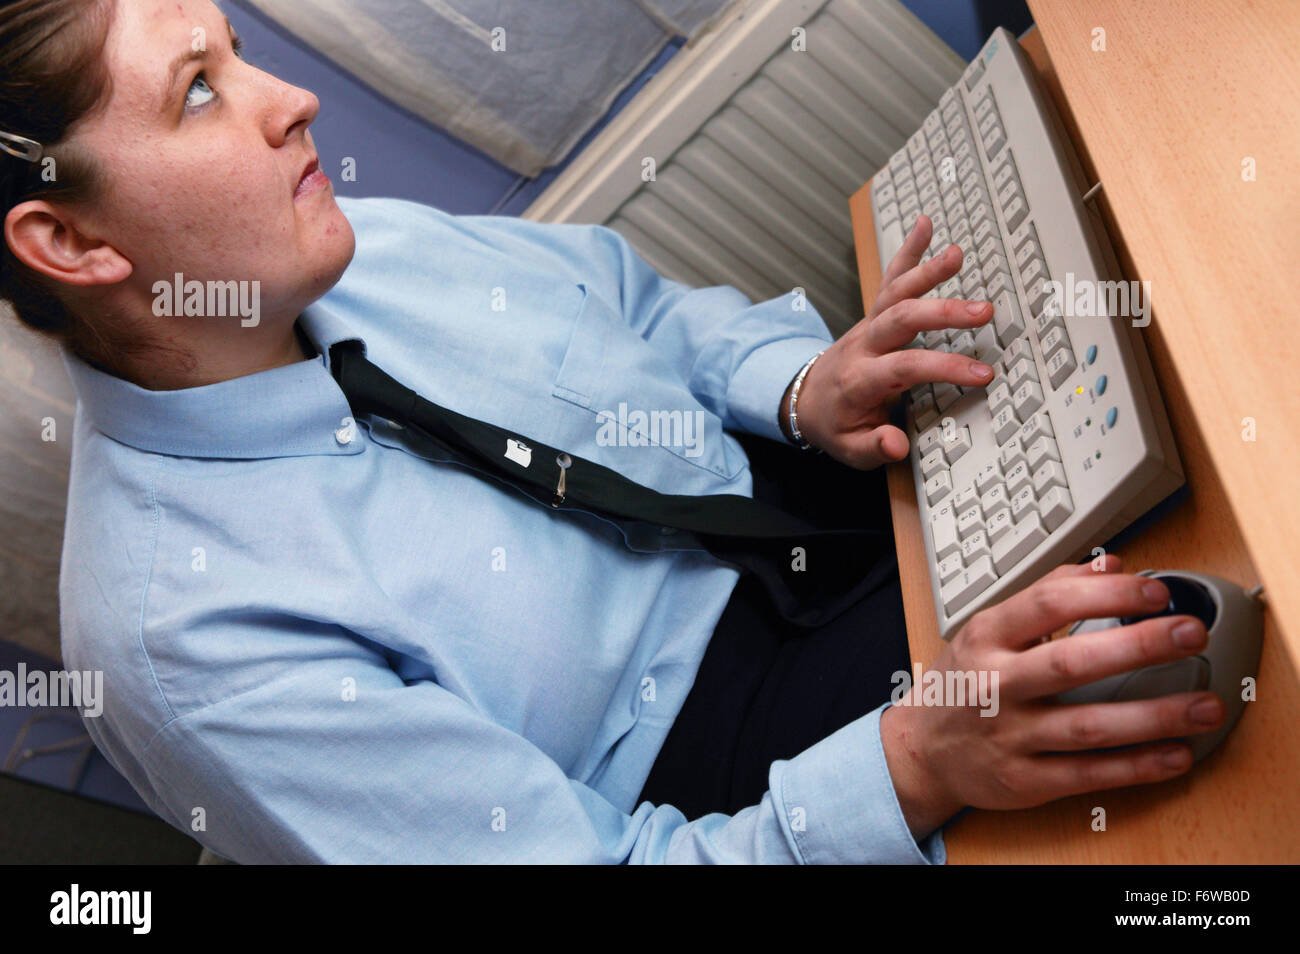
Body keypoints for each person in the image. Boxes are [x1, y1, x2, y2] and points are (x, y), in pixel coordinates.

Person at [1, 0, 1225, 864]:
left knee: (1184, 358)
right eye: (199, 90)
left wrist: (799, 387)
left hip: (799, 502)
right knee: (1205, 641)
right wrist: (911, 771)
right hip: (742, 782)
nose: (292, 100)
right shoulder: (181, 643)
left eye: (235, 48)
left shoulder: (341, 242)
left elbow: (639, 310)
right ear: (71, 244)